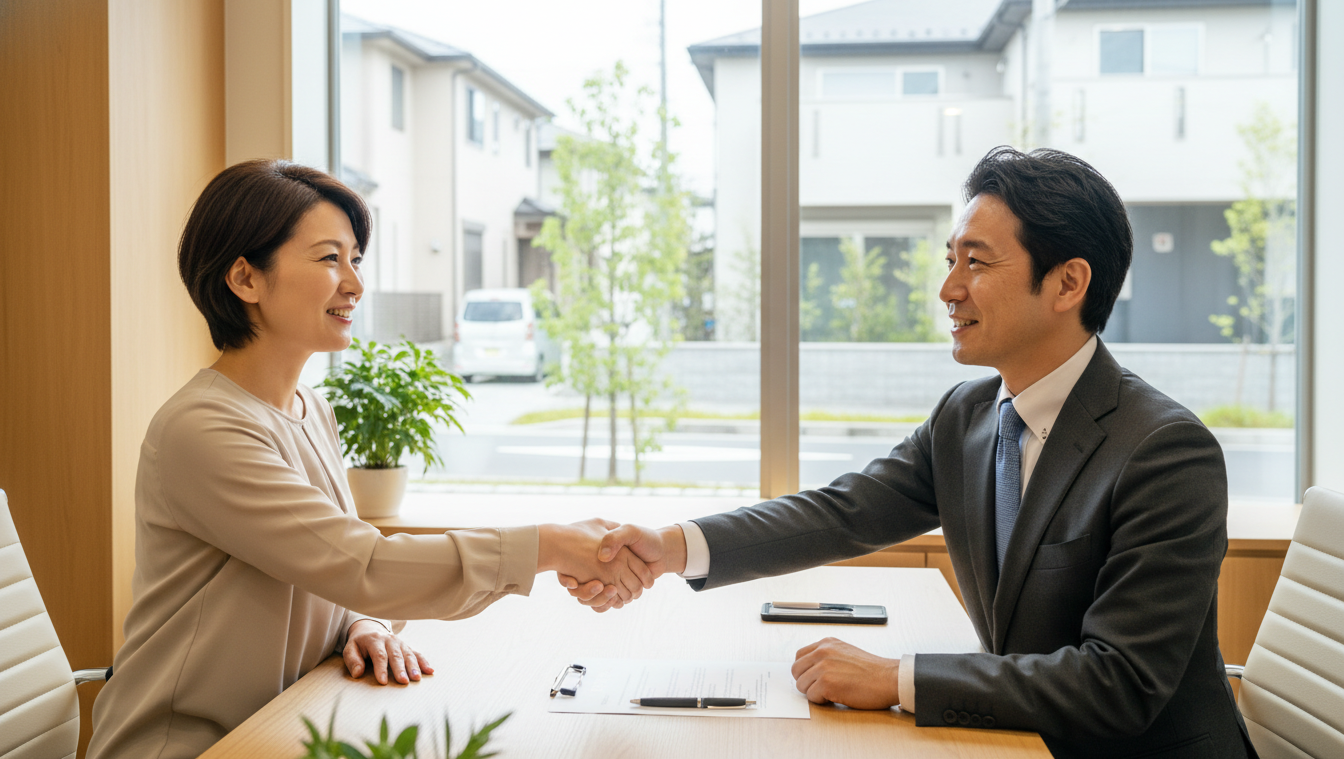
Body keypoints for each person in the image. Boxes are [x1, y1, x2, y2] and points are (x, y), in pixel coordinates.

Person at [563, 147, 1256, 758]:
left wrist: (895, 678)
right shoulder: (968, 417)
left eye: (976, 262)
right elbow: (842, 513)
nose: (948, 289)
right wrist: (672, 547)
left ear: (1068, 283)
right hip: (1017, 739)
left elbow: (1120, 685)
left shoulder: (1165, 452)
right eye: (951, 259)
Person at [87, 159, 651, 759]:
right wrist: (551, 545)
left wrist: (362, 622)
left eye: (355, 259)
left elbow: (330, 559)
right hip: (191, 746)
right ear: (245, 279)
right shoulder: (202, 430)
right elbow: (365, 564)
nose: (354, 283)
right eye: (330, 258)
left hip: (292, 723)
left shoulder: (311, 409)